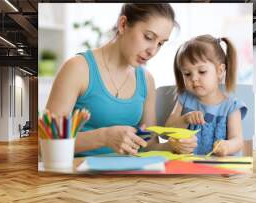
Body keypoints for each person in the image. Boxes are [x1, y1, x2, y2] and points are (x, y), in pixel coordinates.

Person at [46, 3, 197, 156]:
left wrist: (172, 146)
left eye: (160, 44)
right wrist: (103, 137)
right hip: (80, 175)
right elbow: (46, 142)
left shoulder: (146, 80)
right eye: (148, 37)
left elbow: (148, 144)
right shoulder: (78, 68)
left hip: (128, 175)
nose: (153, 51)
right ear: (123, 24)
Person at [165, 34, 247, 156]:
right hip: (188, 167)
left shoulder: (231, 106)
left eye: (202, 71)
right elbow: (168, 131)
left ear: (220, 71)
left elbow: (238, 140)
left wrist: (227, 146)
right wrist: (185, 119)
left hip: (221, 170)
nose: (194, 78)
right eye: (187, 74)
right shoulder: (185, 98)